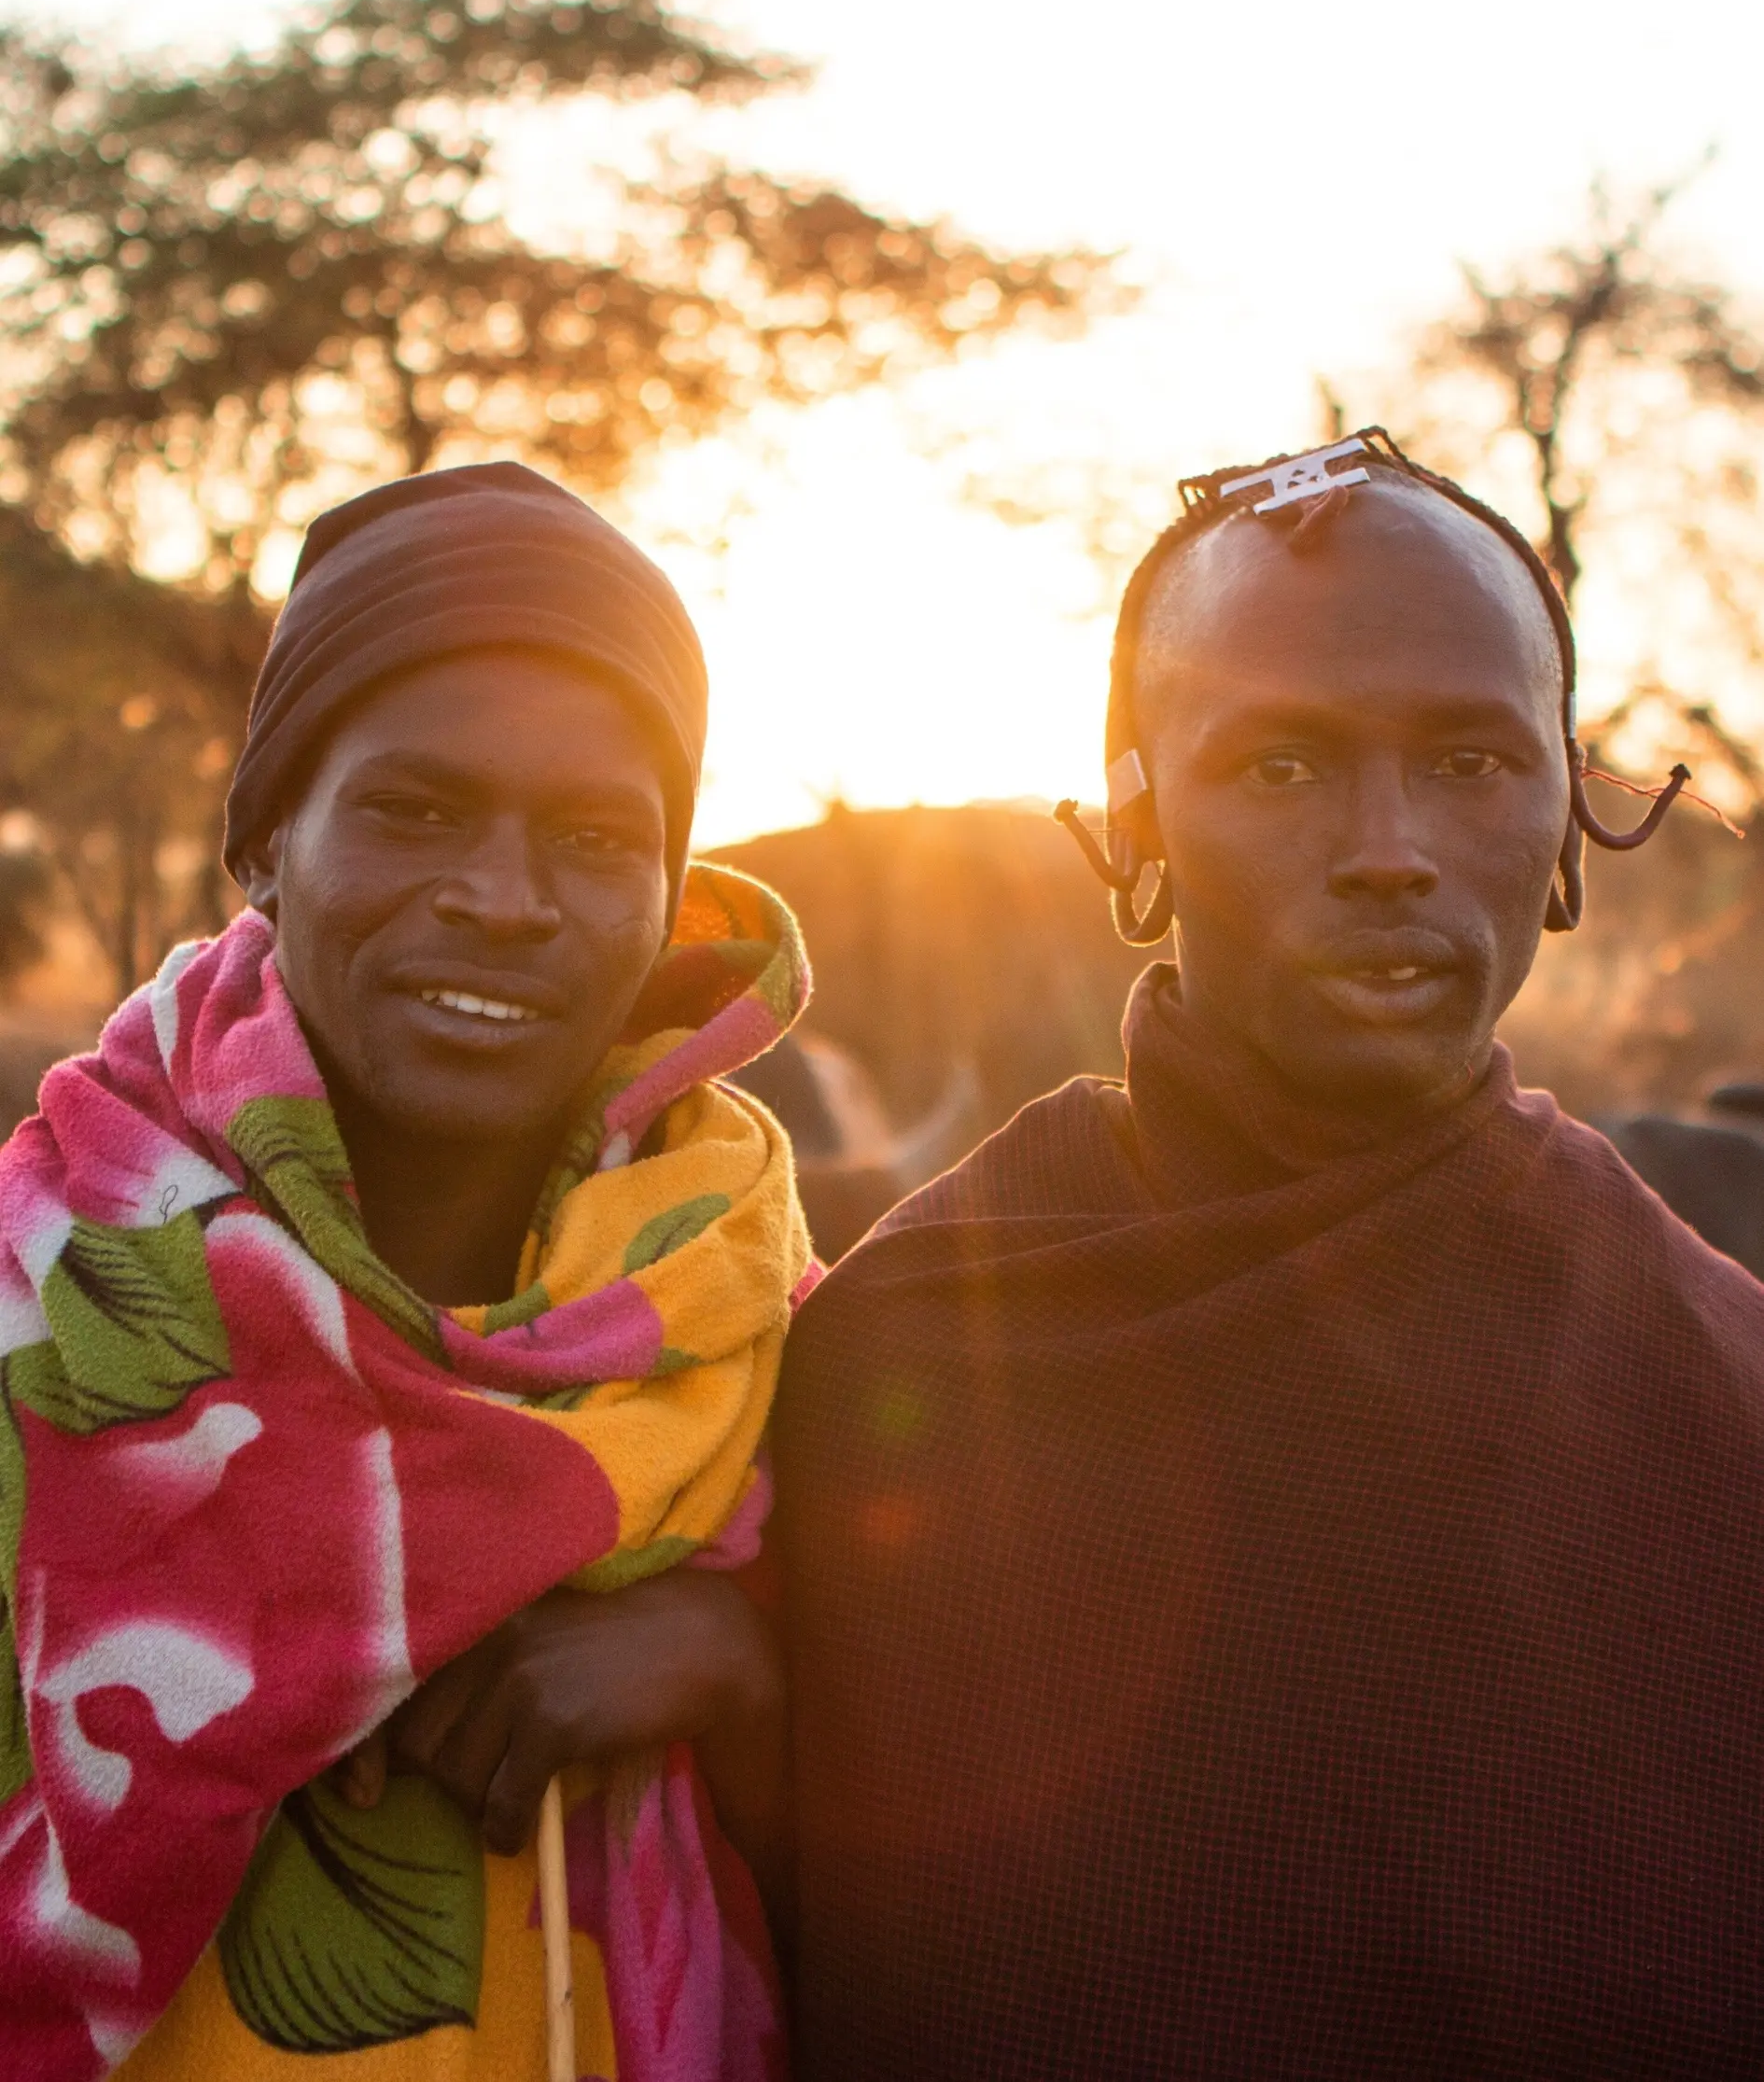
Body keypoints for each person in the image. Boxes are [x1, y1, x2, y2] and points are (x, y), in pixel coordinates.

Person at [772, 431, 1764, 2078]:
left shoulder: (1719, 1392)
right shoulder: (921, 1338)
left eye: (1468, 761)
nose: (1389, 847)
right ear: (1135, 824)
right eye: (1284, 767)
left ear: (1571, 821)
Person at [0, 463, 810, 2082]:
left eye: (592, 836)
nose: (502, 900)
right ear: (265, 848)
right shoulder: (44, 1305)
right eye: (413, 809)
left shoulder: (768, 1322)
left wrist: (748, 1667)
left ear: (667, 895)